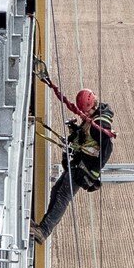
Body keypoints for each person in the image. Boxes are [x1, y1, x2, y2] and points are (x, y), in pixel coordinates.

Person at [33, 88, 116, 241]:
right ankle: (42, 227)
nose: (85, 114)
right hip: (81, 164)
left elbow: (106, 149)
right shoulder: (94, 117)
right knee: (57, 191)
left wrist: (93, 171)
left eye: (86, 111)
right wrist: (75, 132)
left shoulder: (101, 124)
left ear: (93, 105)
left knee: (63, 195)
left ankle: (43, 231)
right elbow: (87, 137)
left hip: (85, 169)